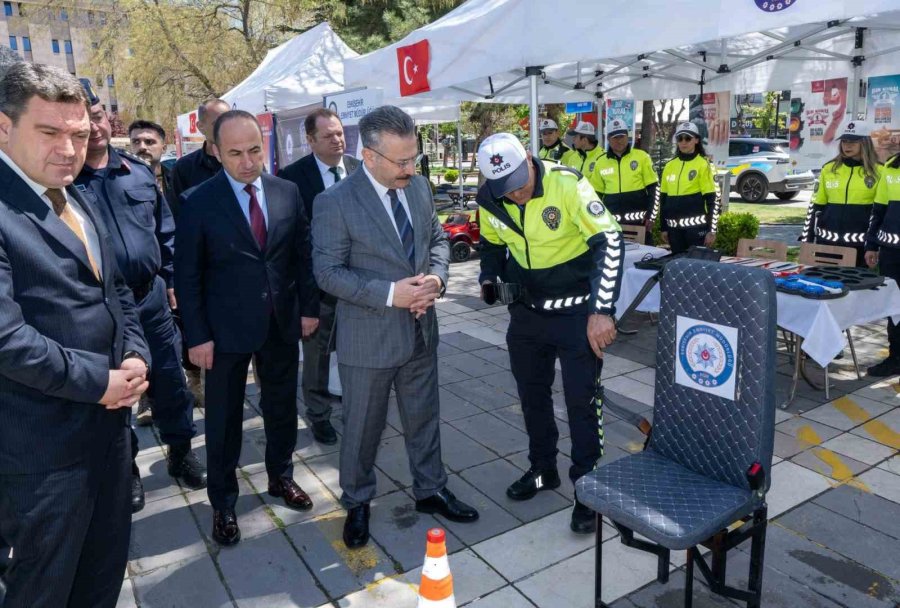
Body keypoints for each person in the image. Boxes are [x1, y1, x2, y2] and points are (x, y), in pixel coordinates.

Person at [0, 62, 149, 608]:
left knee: (100, 577)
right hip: (41, 454)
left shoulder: (72, 193)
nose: (69, 148)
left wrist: (135, 352)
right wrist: (100, 381)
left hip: (109, 437)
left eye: (80, 134)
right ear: (3, 128)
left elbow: (117, 291)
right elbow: (6, 340)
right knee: (44, 591)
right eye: (50, 132)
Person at [312, 105, 479, 550]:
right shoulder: (335, 202)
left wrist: (437, 280)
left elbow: (438, 240)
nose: (410, 168)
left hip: (422, 331)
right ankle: (358, 501)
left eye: (414, 158)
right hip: (369, 339)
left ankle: (431, 489)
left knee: (424, 418)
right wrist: (392, 293)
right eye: (401, 161)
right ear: (369, 157)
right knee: (363, 427)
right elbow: (327, 273)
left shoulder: (420, 188)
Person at [176, 110, 319, 546]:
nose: (247, 161)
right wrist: (196, 336)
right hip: (223, 333)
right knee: (223, 420)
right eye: (235, 152)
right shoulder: (198, 200)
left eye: (255, 150)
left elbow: (302, 255)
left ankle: (281, 476)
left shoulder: (287, 192)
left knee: (281, 408)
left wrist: (308, 309)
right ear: (216, 151)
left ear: (265, 145)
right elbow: (188, 274)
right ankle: (223, 502)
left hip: (279, 323)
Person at [475, 133, 624, 534]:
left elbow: (609, 241)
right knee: (532, 398)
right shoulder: (490, 199)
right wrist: (489, 277)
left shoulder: (567, 182)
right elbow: (490, 245)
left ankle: (587, 490)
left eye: (521, 185)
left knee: (581, 401)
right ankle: (543, 469)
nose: (518, 196)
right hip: (527, 317)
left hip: (577, 316)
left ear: (528, 157)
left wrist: (602, 310)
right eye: (508, 191)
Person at [75, 84, 207, 514]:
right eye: (83, 116)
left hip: (149, 298)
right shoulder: (65, 179)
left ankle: (181, 451)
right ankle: (126, 470)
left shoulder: (136, 171)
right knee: (118, 393)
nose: (92, 125)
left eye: (97, 114)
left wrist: (169, 279)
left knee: (170, 379)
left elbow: (164, 230)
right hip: (100, 307)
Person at [278, 108, 360, 445]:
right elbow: (290, 240)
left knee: (358, 351)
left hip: (360, 284)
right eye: (328, 136)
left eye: (339, 133)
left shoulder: (359, 168)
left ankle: (358, 409)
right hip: (317, 287)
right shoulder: (291, 178)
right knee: (317, 357)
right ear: (310, 141)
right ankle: (318, 415)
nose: (337, 140)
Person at [170, 98, 230, 406]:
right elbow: (178, 224)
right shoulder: (185, 169)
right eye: (216, 121)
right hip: (205, 272)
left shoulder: (245, 162)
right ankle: (198, 384)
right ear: (200, 126)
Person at [802, 121, 882, 267]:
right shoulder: (829, 169)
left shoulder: (878, 172)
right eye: (844, 141)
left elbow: (880, 214)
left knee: (855, 288)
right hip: (826, 244)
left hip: (859, 247)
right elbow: (815, 208)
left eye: (853, 141)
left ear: (865, 143)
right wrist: (806, 240)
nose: (847, 145)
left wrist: (873, 245)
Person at [590, 118, 659, 238]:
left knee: (645, 256)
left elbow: (654, 189)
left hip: (640, 222)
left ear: (627, 136)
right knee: (615, 256)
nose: (619, 140)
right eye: (615, 137)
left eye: (622, 136)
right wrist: (597, 219)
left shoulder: (642, 157)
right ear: (608, 139)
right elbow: (596, 196)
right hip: (612, 224)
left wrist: (651, 216)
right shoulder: (600, 162)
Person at [864, 152, 900, 376]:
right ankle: (895, 358)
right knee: (894, 307)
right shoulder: (891, 166)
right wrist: (871, 244)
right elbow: (878, 210)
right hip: (891, 252)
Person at [658, 121, 719, 253]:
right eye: (680, 138)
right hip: (673, 230)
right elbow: (663, 200)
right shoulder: (669, 166)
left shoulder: (704, 165)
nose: (683, 142)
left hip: (696, 230)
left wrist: (712, 230)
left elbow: (713, 200)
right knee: (677, 268)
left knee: (696, 268)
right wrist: (663, 227)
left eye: (688, 138)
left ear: (696, 140)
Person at [129, 120, 177, 215]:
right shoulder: (120, 181)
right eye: (136, 142)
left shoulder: (176, 179)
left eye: (149, 142)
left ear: (164, 148)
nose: (142, 147)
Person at [560, 121, 605, 189]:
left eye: (576, 136)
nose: (573, 139)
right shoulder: (573, 158)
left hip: (595, 198)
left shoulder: (603, 157)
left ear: (584, 140)